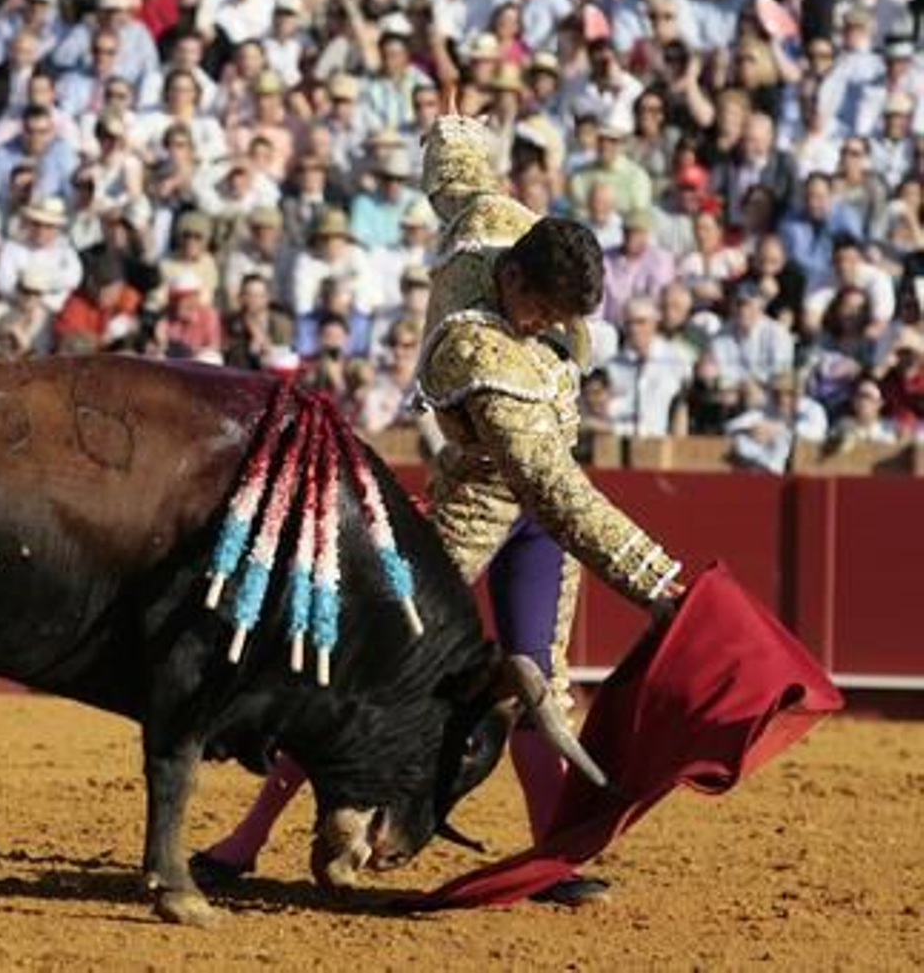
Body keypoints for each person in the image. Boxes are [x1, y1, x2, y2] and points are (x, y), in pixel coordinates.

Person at [192, 113, 685, 906]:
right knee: (367, 667)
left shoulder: (495, 230)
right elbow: (553, 487)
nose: (552, 331)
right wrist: (654, 579)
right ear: (517, 283)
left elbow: (463, 183)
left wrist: (453, 126)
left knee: (544, 686)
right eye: (546, 314)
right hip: (476, 509)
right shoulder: (476, 349)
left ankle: (549, 860)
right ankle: (244, 840)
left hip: (535, 519)